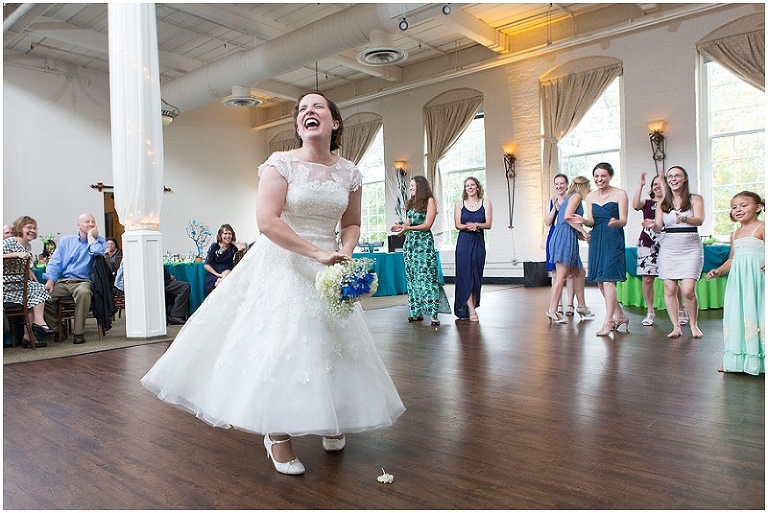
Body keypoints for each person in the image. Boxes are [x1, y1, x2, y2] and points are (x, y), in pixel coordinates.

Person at [141, 92, 404, 476]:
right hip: (284, 261)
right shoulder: (280, 164)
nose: (308, 112)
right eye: (302, 109)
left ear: (334, 122)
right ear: (298, 125)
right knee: (286, 343)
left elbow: (351, 222)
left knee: (333, 341)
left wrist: (343, 252)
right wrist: (315, 253)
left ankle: (332, 417)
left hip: (327, 264)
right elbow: (267, 221)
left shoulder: (350, 172)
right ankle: (277, 434)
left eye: (317, 107)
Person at [706, 191, 764, 375]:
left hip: (758, 280)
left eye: (743, 205)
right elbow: (733, 259)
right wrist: (719, 270)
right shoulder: (735, 234)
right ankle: (736, 359)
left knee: (759, 313)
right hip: (739, 283)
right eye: (734, 207)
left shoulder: (762, 228)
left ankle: (760, 359)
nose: (738, 209)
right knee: (738, 315)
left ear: (758, 207)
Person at [645, 165, 705, 338]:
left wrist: (685, 218)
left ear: (685, 178)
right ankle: (676, 326)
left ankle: (693, 324)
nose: (673, 179)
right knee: (670, 289)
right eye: (670, 176)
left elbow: (699, 220)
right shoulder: (663, 203)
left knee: (688, 291)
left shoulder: (695, 199)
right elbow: (659, 227)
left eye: (677, 176)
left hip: (690, 247)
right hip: (669, 248)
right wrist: (652, 225)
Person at [571, 162, 628, 336]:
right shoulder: (590, 196)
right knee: (601, 282)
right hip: (597, 238)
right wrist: (582, 221)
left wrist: (616, 222)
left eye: (603, 175)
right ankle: (620, 316)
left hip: (613, 237)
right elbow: (592, 221)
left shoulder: (620, 194)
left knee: (609, 280)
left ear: (610, 176)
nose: (599, 179)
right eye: (596, 176)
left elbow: (624, 220)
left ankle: (608, 321)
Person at [42, 213, 106, 344]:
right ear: (78, 225)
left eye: (93, 222)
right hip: (64, 281)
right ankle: (58, 328)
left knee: (83, 293)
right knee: (42, 296)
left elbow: (97, 252)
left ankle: (78, 332)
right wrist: (50, 280)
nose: (91, 224)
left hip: (83, 281)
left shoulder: (99, 241)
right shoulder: (66, 241)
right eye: (87, 222)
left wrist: (90, 237)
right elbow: (55, 262)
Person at [391, 175, 441, 326]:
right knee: (412, 278)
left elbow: (427, 225)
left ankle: (433, 314)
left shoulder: (430, 201)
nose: (410, 188)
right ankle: (415, 312)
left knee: (428, 277)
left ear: (421, 186)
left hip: (423, 244)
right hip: (410, 245)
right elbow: (407, 224)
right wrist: (401, 228)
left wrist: (408, 228)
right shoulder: (411, 203)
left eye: (413, 185)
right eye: (410, 186)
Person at [546, 176, 594, 323]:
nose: (589, 190)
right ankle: (552, 310)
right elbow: (567, 217)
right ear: (583, 186)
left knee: (580, 272)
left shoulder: (570, 197)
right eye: (588, 186)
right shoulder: (576, 196)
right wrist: (584, 232)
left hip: (568, 237)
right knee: (560, 276)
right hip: (563, 239)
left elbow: (566, 219)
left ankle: (582, 306)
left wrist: (579, 234)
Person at [2, 216, 55, 347]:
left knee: (35, 296)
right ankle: (39, 323)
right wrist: (15, 254)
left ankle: (28, 335)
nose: (32, 230)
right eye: (29, 227)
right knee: (39, 289)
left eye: (34, 228)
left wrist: (29, 271)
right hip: (7, 287)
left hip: (20, 284)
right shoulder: (10, 242)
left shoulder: (27, 245)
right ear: (20, 228)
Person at [453, 176, 492, 321]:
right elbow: (457, 225)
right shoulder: (459, 204)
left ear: (477, 187)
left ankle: (473, 307)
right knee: (466, 276)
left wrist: (477, 225)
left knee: (476, 276)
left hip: (478, 242)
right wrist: (467, 227)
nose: (469, 187)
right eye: (467, 186)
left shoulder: (486, 203)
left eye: (472, 185)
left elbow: (488, 224)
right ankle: (470, 310)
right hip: (464, 243)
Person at [114, 260, 190, 325]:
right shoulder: (148, 254)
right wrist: (168, 276)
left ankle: (171, 314)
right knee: (184, 287)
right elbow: (154, 271)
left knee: (174, 287)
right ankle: (175, 315)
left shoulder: (129, 256)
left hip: (144, 283)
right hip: (152, 283)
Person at [632, 171, 663, 326]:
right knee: (647, 278)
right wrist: (640, 185)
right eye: (654, 184)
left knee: (671, 279)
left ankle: (680, 309)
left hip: (667, 243)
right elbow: (635, 205)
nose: (657, 187)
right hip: (646, 243)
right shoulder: (648, 203)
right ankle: (650, 311)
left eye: (660, 184)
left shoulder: (671, 204)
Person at [545, 174, 575, 315]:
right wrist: (555, 208)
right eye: (556, 184)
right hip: (554, 237)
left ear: (567, 184)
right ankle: (558, 304)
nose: (559, 186)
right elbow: (547, 222)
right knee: (555, 273)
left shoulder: (572, 200)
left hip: (568, 236)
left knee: (569, 273)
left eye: (562, 183)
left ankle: (570, 304)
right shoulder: (550, 201)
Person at [203, 224, 246, 297]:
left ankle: (220, 287)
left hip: (227, 271)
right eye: (225, 233)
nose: (227, 236)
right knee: (222, 282)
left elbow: (242, 247)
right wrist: (217, 274)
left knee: (226, 275)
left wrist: (232, 241)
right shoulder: (214, 246)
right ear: (220, 235)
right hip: (214, 273)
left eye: (230, 234)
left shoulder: (233, 247)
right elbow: (206, 265)